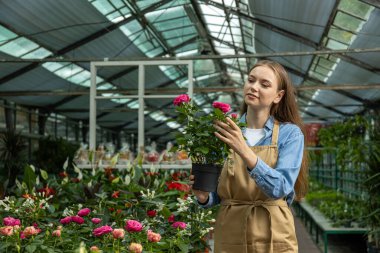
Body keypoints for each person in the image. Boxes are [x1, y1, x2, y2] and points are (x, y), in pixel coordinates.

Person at [189, 60, 308, 253]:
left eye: (264, 84)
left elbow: (281, 187)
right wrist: (204, 197)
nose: (254, 87)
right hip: (231, 230)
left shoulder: (290, 134)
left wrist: (243, 149)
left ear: (279, 96)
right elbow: (218, 194)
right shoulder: (224, 130)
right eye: (251, 80)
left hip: (273, 232)